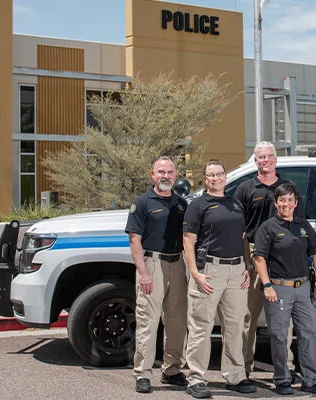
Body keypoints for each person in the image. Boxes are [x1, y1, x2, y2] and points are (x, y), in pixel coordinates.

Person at [183, 159, 255, 399]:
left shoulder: (235, 204)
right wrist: (195, 273)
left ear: (225, 177)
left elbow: (243, 237)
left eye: (219, 174)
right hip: (209, 271)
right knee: (201, 326)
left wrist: (246, 265)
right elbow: (189, 240)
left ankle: (235, 376)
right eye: (211, 175)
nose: (216, 178)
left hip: (236, 271)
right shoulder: (198, 205)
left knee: (234, 327)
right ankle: (196, 378)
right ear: (205, 179)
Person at [234, 141, 305, 383]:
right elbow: (239, 230)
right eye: (261, 157)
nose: (265, 161)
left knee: (283, 322)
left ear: (276, 159)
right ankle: (242, 369)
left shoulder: (288, 188)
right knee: (247, 317)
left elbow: (299, 225)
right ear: (255, 161)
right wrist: (245, 264)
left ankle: (285, 369)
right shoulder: (244, 189)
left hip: (282, 258)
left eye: (269, 157)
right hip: (253, 256)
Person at [252, 183, 316, 396]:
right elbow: (259, 258)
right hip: (278, 288)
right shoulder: (268, 228)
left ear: (296, 203)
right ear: (276, 203)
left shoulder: (303, 226)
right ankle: (282, 379)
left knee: (308, 333)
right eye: (282, 200)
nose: (286, 204)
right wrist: (267, 285)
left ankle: (312, 379)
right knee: (278, 335)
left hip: (304, 287)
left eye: (290, 200)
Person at [125, 156, 189, 394]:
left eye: (170, 172)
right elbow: (134, 240)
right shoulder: (142, 203)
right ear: (153, 175)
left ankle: (172, 370)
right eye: (161, 172)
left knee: (177, 320)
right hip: (152, 264)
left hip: (177, 263)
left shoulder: (182, 204)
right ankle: (143, 373)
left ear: (175, 175)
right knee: (147, 322)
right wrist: (143, 273)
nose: (166, 176)